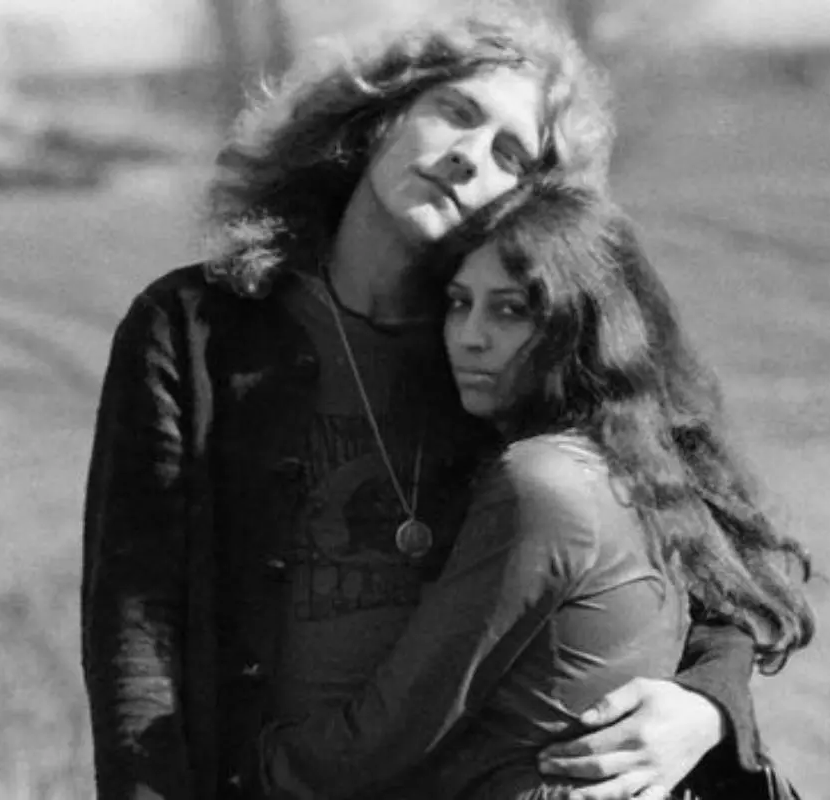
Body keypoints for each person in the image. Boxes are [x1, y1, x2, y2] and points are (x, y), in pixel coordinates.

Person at [81, 8, 778, 799]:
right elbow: (137, 633)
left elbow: (721, 564)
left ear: (531, 202)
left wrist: (707, 705)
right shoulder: (194, 330)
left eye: (510, 153)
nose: (467, 157)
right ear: (378, 114)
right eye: (456, 111)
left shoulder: (533, 350)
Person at [254, 181, 815, 799]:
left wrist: (241, 766)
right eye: (458, 302)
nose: (469, 335)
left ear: (580, 323)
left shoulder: (540, 482)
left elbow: (396, 729)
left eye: (510, 310)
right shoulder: (629, 463)